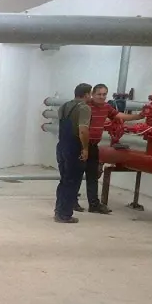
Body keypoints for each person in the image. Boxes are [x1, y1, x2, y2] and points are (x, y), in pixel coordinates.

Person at [73, 83, 144, 214]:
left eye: (104, 94)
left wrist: (138, 116)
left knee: (92, 175)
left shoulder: (106, 107)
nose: (101, 97)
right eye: (99, 94)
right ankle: (72, 201)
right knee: (76, 174)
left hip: (93, 146)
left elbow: (119, 116)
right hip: (81, 145)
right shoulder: (85, 106)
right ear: (92, 94)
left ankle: (94, 205)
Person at [54, 83, 92, 224]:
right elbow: (83, 130)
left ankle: (59, 210)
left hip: (61, 146)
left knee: (64, 180)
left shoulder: (64, 106)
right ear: (87, 94)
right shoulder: (84, 108)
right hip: (74, 147)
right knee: (72, 182)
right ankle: (65, 215)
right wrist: (85, 148)